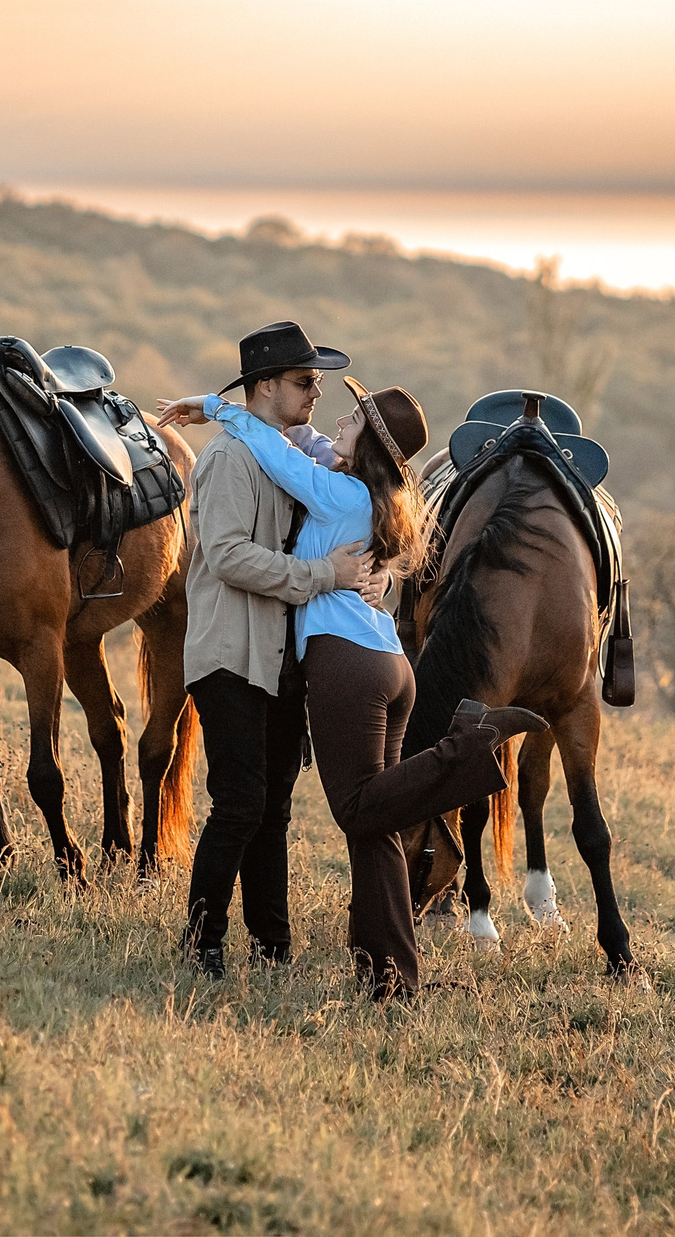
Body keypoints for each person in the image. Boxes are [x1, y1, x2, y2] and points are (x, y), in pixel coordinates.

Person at [160, 370, 548, 999]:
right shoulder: (367, 492)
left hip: (349, 665)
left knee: (357, 807)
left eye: (353, 417)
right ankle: (389, 973)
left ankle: (469, 748)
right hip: (389, 665)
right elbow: (304, 438)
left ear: (368, 441)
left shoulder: (339, 495)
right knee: (377, 830)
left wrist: (212, 406)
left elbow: (268, 448)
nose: (335, 418)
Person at [176, 320, 383, 978]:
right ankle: (201, 944)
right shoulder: (231, 458)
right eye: (304, 380)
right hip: (232, 651)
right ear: (264, 386)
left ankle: (272, 947)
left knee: (273, 809)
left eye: (317, 381)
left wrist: (378, 575)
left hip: (280, 658)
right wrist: (326, 578)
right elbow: (231, 555)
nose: (315, 391)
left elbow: (359, 511)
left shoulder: (292, 456)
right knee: (240, 801)